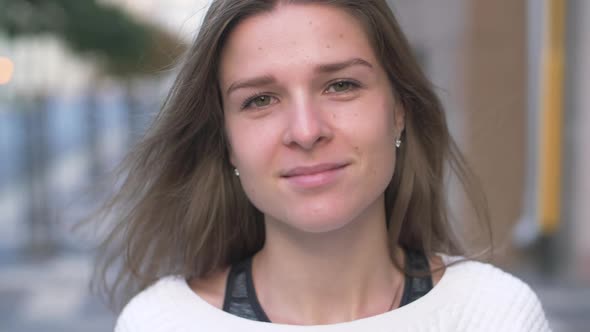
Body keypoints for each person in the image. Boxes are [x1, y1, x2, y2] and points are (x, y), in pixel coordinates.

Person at [98, 0, 551, 331]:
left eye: (340, 85)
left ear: (399, 110)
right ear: (228, 143)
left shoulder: (493, 314)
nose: (306, 130)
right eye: (260, 99)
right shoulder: (162, 322)